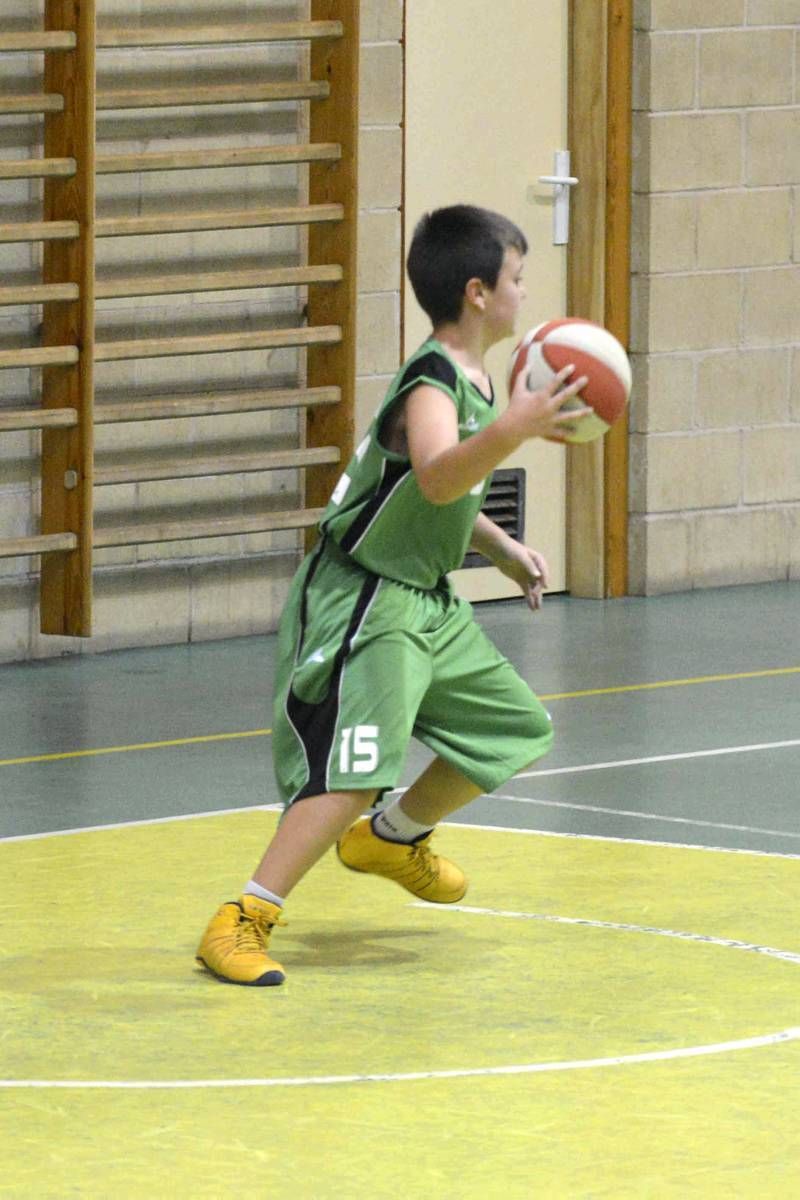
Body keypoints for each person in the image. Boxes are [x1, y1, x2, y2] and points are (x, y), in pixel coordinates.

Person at [195, 203, 590, 986]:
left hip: (424, 602)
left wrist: (503, 549)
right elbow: (442, 470)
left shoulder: (477, 379)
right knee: (354, 772)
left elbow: (434, 495)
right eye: (517, 277)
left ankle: (393, 836)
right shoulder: (433, 378)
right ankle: (242, 918)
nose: (524, 291)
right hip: (365, 600)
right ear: (478, 292)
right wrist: (516, 428)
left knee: (514, 728)